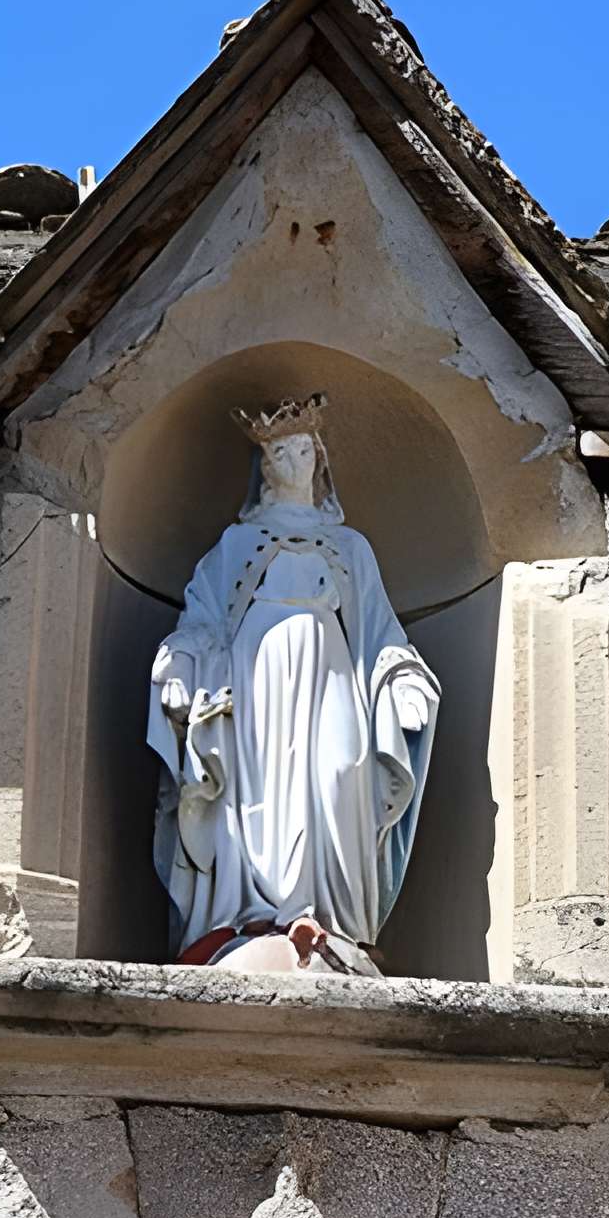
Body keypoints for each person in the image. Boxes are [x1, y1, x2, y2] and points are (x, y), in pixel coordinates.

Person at [147, 394, 440, 969]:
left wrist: (403, 681)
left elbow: (382, 634)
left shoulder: (351, 548)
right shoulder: (233, 547)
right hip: (254, 684)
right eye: (281, 450)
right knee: (253, 788)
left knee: (339, 770)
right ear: (264, 467)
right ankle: (249, 914)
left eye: (304, 448)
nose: (294, 458)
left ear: (320, 459)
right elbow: (202, 623)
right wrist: (179, 669)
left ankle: (336, 920)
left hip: (332, 675)